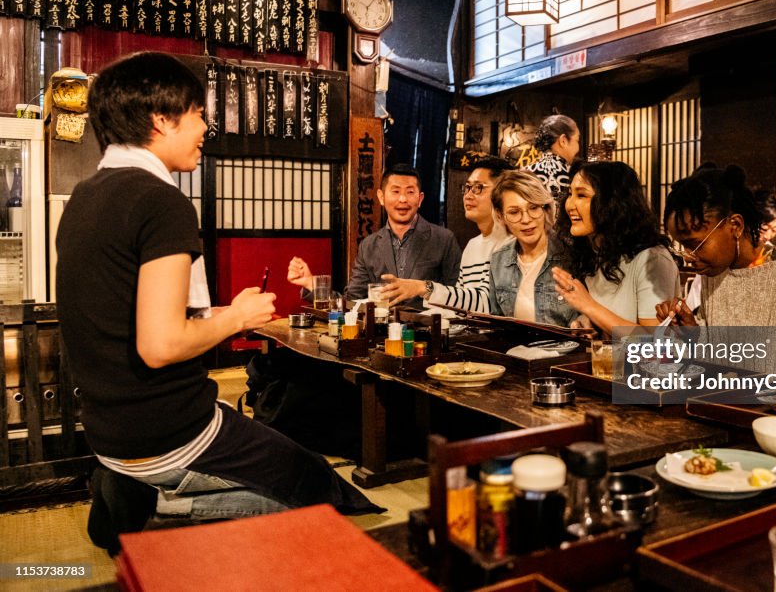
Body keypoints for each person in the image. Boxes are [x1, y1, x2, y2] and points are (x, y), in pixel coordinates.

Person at [56, 52, 379, 537]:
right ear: (162, 120)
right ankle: (153, 516)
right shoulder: (158, 200)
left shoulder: (87, 196)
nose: (206, 127)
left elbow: (128, 314)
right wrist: (237, 317)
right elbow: (161, 344)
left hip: (108, 430)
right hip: (168, 430)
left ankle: (127, 490)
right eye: (199, 114)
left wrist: (233, 313)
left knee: (289, 457)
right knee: (321, 490)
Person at [655, 165, 776, 377]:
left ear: (735, 225)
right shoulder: (713, 274)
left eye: (695, 245)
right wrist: (692, 332)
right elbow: (720, 358)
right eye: (681, 247)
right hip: (724, 406)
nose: (688, 256)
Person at [288, 163, 461, 309]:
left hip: (430, 338)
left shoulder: (444, 239)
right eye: (395, 191)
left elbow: (457, 296)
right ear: (381, 197)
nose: (403, 199)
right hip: (380, 337)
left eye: (410, 192)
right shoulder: (369, 246)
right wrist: (311, 284)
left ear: (420, 199)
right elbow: (352, 302)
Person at [552, 161, 680, 333]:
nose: (569, 205)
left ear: (612, 202)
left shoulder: (652, 259)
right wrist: (588, 322)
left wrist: (589, 307)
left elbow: (654, 343)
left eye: (581, 195)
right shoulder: (593, 254)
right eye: (570, 194)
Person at [380, 157, 514, 311]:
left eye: (479, 188)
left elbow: (487, 303)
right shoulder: (472, 246)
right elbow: (459, 304)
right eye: (468, 187)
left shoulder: (510, 243)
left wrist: (424, 287)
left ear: (503, 193)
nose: (468, 195)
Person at [488, 171, 578, 326]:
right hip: (516, 349)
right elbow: (498, 325)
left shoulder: (572, 255)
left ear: (545, 209)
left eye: (534, 208)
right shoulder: (498, 261)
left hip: (567, 349)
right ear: (500, 216)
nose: (526, 219)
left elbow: (590, 319)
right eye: (514, 212)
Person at [522, 114, 580, 199]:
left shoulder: (525, 174)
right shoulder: (577, 175)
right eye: (577, 140)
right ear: (563, 140)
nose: (578, 148)